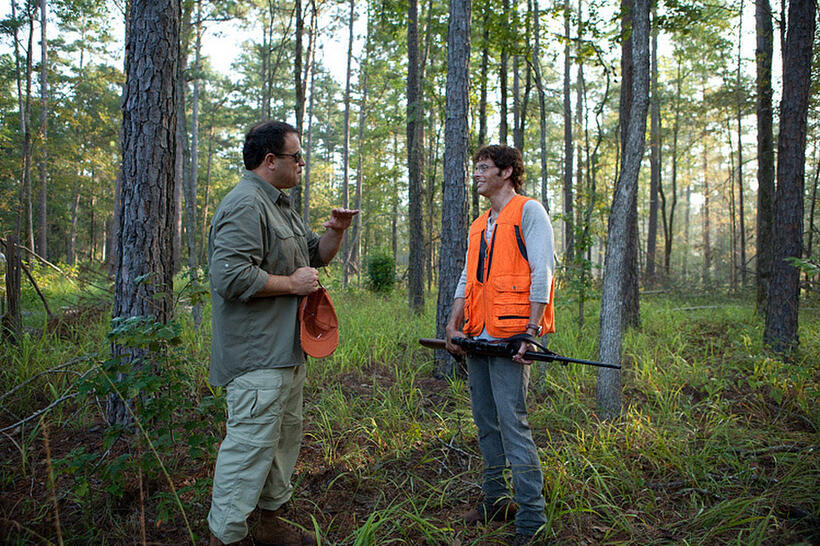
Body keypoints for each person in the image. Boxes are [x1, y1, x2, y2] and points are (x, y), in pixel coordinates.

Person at [207, 120, 358, 546]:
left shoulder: (280, 204)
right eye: (296, 157)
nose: (302, 164)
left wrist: (336, 230)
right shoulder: (244, 205)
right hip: (257, 357)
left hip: (288, 352)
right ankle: (226, 537)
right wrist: (291, 284)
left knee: (281, 445)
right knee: (248, 450)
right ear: (270, 161)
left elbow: (316, 256)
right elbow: (230, 277)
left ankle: (270, 525)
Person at [445, 145, 555, 546]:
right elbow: (465, 278)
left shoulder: (529, 212)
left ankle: (531, 517)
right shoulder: (480, 224)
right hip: (478, 338)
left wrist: (531, 331)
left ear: (506, 172)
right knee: (486, 423)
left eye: (484, 168)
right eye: (476, 167)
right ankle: (495, 500)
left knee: (513, 425)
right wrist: (453, 322)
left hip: (513, 341)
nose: (477, 174)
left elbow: (542, 272)